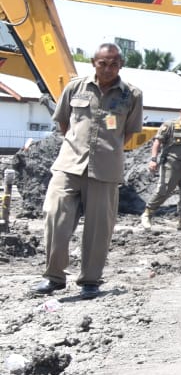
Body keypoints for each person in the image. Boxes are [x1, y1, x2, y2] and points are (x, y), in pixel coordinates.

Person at [31, 43, 143, 298]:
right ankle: (54, 277)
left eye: (114, 64)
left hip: (105, 171)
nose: (108, 68)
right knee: (54, 219)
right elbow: (63, 123)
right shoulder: (75, 87)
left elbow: (127, 133)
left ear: (120, 66)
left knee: (98, 229)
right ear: (94, 62)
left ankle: (90, 280)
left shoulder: (132, 95)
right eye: (103, 63)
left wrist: (107, 150)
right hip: (69, 166)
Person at [142, 103, 181, 229]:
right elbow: (157, 142)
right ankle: (147, 214)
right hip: (171, 164)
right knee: (164, 190)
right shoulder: (170, 125)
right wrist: (153, 159)